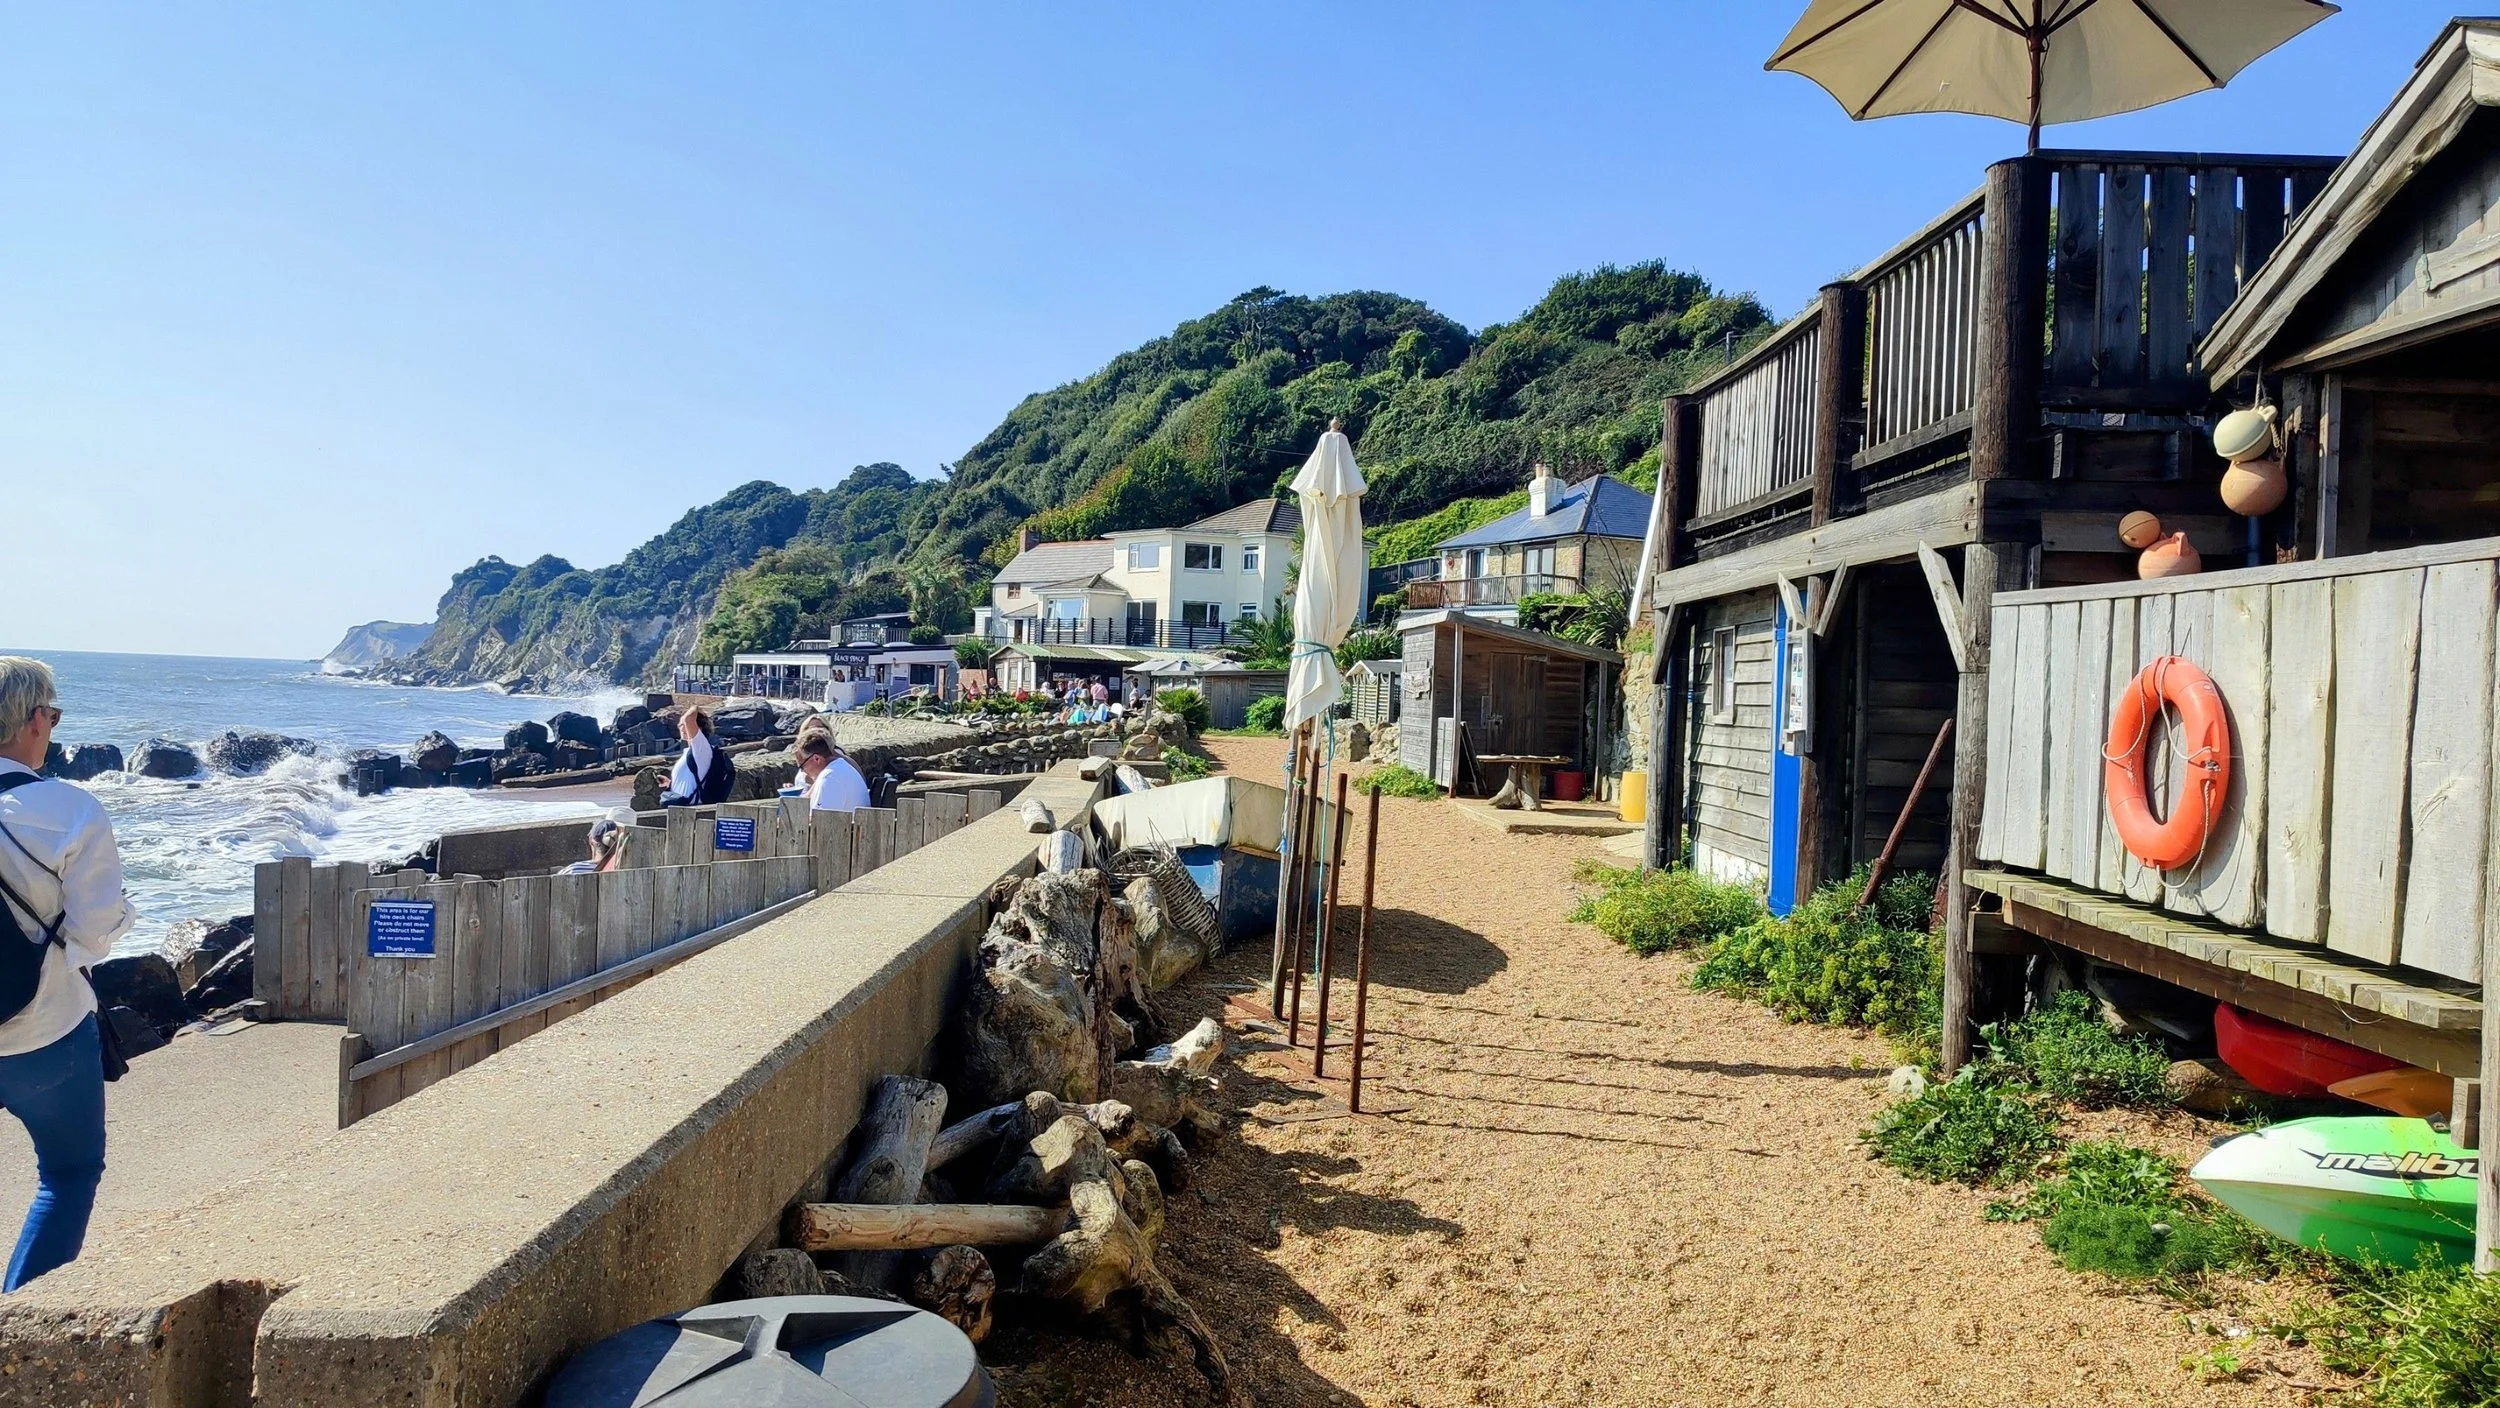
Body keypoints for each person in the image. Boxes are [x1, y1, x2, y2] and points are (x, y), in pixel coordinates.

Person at [0, 657, 134, 1291]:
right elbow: (92, 935)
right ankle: (17, 1337)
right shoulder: (70, 810)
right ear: (32, 720)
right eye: (52, 715)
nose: (51, 727)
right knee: (68, 1173)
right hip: (43, 1033)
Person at [662, 708, 731, 807]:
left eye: (683, 724)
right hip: (680, 810)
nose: (681, 727)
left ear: (699, 728)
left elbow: (689, 718)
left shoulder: (701, 748)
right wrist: (670, 783)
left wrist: (696, 708)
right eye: (680, 724)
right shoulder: (692, 752)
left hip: (691, 810)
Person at [794, 735, 871, 813]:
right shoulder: (841, 766)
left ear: (816, 759)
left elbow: (819, 821)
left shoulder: (829, 778)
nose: (802, 772)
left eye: (802, 766)